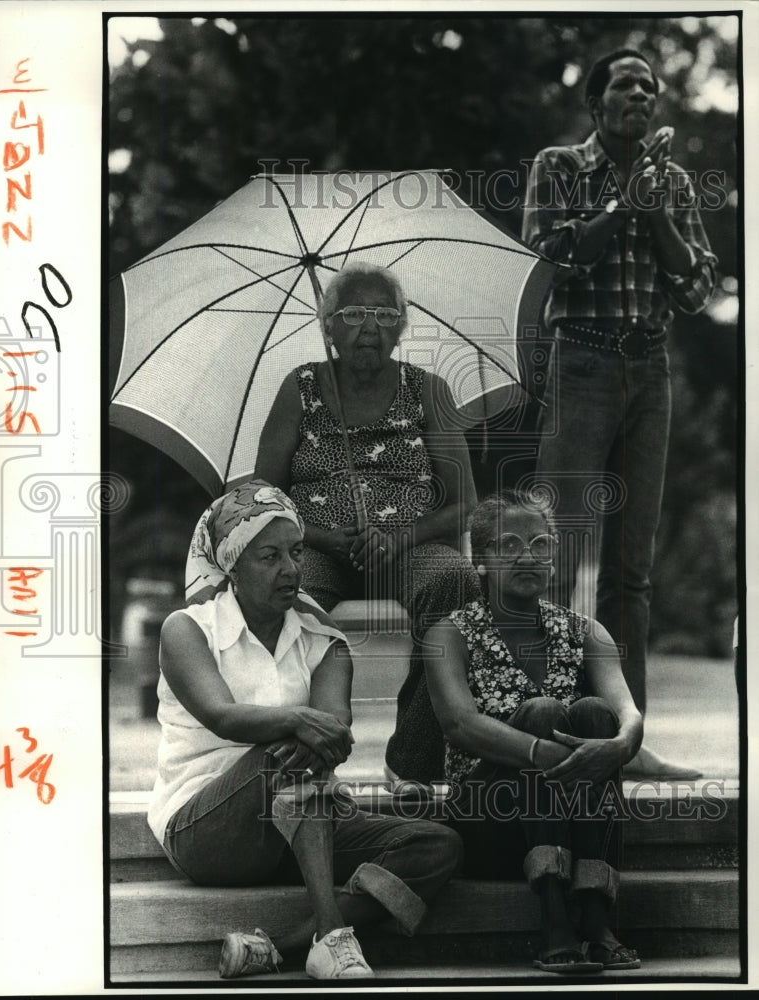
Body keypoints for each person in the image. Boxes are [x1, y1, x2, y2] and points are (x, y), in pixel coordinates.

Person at [148, 480, 463, 980]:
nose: (291, 569)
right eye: (269, 556)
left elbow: (335, 732)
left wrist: (314, 732)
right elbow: (222, 716)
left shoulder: (325, 642)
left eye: (296, 552)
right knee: (284, 754)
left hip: (300, 828)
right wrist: (298, 722)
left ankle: (282, 946)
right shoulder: (188, 629)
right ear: (231, 563)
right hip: (206, 829)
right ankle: (334, 938)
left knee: (435, 845)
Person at [522, 49, 717, 780]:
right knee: (557, 554)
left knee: (630, 571)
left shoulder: (672, 181)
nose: (641, 93)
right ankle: (546, 728)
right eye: (625, 84)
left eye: (649, 86)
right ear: (596, 102)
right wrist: (618, 207)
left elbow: (696, 286)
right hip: (581, 361)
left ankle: (626, 742)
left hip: (651, 367)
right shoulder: (559, 165)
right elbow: (547, 256)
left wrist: (654, 210)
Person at [251, 261, 482, 781]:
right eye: (353, 313)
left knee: (454, 582)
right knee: (288, 588)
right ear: (328, 325)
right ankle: (300, 755)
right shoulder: (301, 387)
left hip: (412, 545)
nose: (370, 326)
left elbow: (465, 501)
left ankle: (416, 761)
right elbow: (261, 496)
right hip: (315, 545)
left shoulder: (428, 389)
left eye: (384, 312)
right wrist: (325, 537)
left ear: (401, 326)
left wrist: (400, 538)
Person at [423, 490, 643, 974]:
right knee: (543, 711)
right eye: (509, 545)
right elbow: (459, 725)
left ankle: (595, 913)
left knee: (594, 714)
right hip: (490, 821)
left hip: (573, 818)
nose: (527, 556)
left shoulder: (585, 632)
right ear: (479, 559)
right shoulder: (450, 634)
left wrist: (620, 745)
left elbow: (628, 714)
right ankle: (554, 918)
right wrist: (543, 751)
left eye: (540, 544)